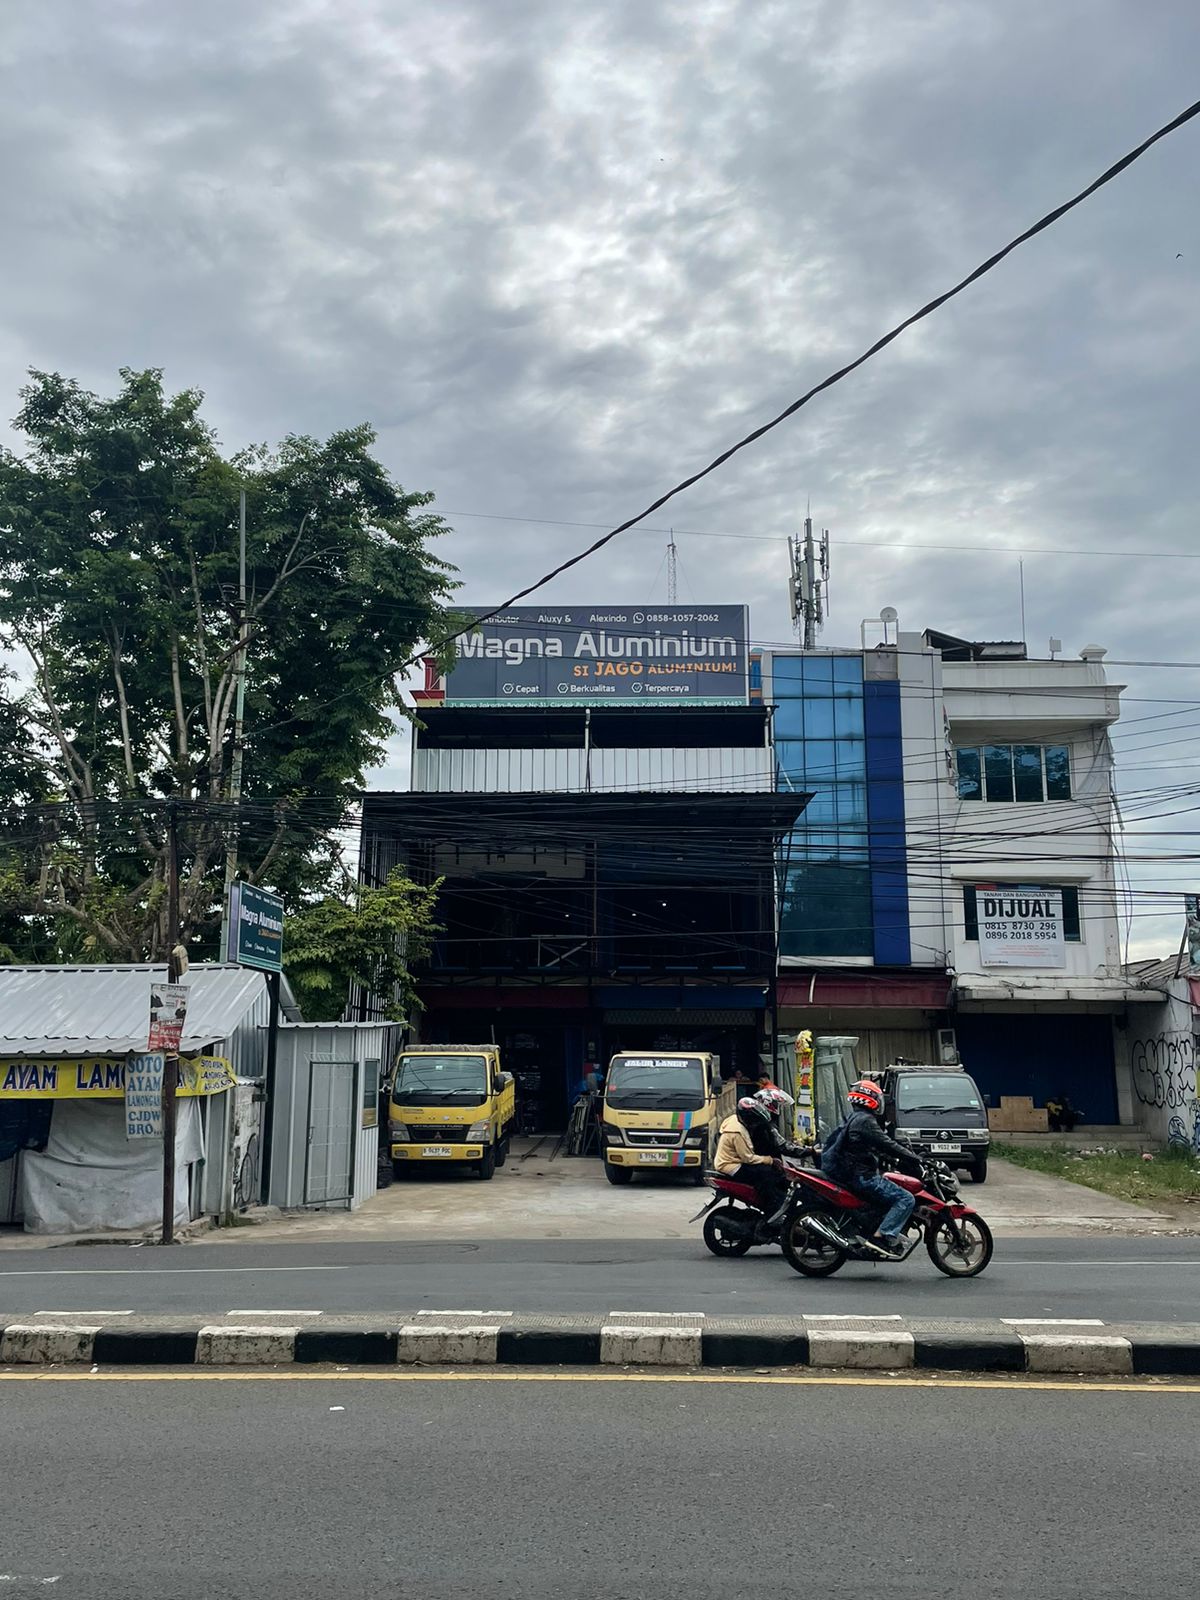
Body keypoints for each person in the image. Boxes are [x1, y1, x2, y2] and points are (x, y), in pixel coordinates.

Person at [821, 1079, 923, 1258]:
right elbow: (887, 1144)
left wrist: (895, 1158)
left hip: (852, 1173)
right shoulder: (865, 1121)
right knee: (906, 1199)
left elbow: (875, 1147)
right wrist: (915, 1158)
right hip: (863, 1176)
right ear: (870, 1099)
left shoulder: (855, 1117)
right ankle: (881, 1236)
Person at [713, 1096, 791, 1226]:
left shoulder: (735, 1121)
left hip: (731, 1162)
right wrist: (770, 1160)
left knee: (769, 1174)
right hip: (731, 1166)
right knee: (768, 1178)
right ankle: (772, 1213)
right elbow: (748, 1158)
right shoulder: (738, 1132)